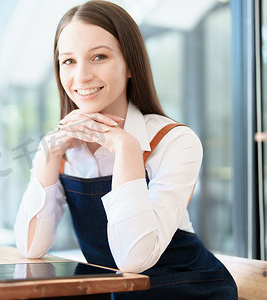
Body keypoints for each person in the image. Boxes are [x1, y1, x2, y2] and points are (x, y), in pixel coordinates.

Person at [14, 1, 238, 299]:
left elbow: (134, 260)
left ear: (130, 64)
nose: (81, 76)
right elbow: (31, 248)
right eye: (68, 61)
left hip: (188, 291)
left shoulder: (173, 141)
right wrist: (48, 154)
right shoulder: (62, 148)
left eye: (99, 57)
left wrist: (126, 147)